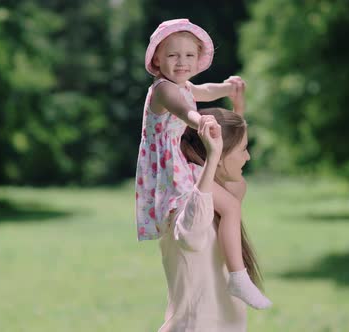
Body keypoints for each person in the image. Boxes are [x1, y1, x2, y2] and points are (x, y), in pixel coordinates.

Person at [135, 18, 271, 309]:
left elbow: (204, 92)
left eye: (188, 56)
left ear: (197, 59)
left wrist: (227, 88)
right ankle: (238, 276)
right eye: (173, 55)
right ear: (157, 58)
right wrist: (200, 120)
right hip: (172, 170)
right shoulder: (163, 90)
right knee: (229, 206)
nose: (181, 62)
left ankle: (233, 271)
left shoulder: (183, 85)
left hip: (184, 164)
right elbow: (184, 110)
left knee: (233, 195)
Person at [159, 107, 267, 331]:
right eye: (243, 149)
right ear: (217, 155)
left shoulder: (223, 201)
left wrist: (237, 109)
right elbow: (190, 233)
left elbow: (237, 186)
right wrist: (213, 156)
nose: (247, 157)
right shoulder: (185, 203)